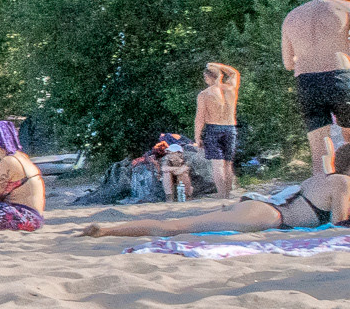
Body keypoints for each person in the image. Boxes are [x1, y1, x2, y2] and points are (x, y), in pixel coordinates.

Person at [81, 162, 350, 237]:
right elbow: (338, 225)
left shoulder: (324, 178)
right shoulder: (343, 183)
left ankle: (110, 229)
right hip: (269, 215)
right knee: (179, 227)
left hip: (258, 206)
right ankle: (106, 230)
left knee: (181, 224)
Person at [282, 0, 350, 173]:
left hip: (307, 82)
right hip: (340, 77)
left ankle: (322, 197)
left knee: (319, 148)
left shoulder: (292, 16)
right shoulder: (345, 9)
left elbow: (288, 63)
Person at [193, 61, 241, 199]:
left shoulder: (204, 94)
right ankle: (228, 193)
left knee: (217, 164)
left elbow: (200, 118)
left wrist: (197, 137)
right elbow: (234, 73)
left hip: (213, 128)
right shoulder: (231, 88)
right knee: (228, 164)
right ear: (220, 76)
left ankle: (222, 195)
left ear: (207, 78)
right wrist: (217, 66)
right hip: (230, 127)